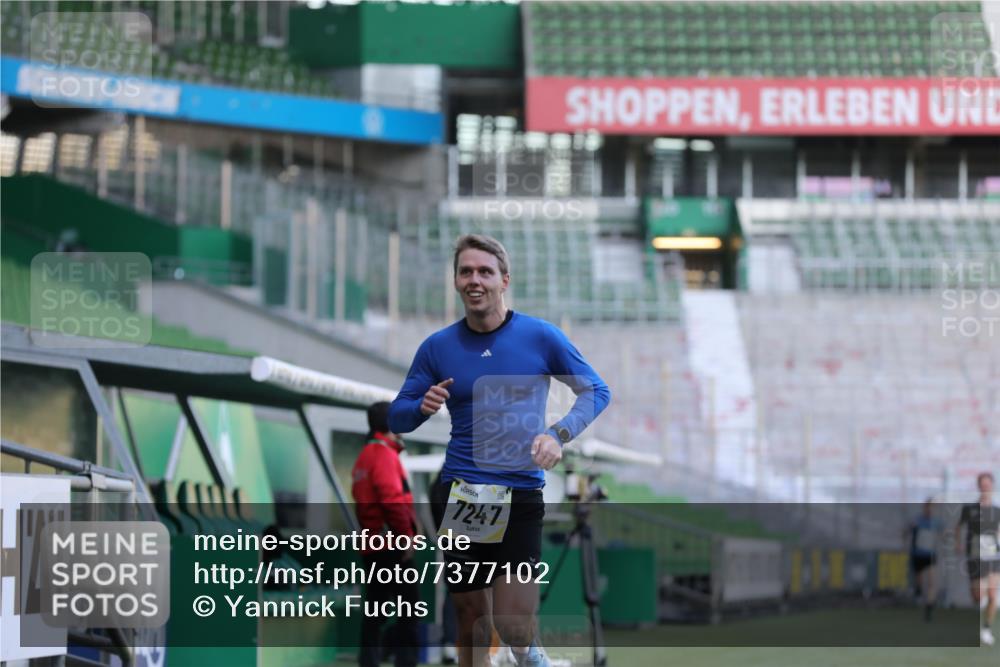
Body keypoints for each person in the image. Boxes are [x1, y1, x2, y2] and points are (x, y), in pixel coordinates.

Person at [389, 234, 610, 667]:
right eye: (466, 271)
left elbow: (596, 391)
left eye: (485, 272)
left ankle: (530, 656)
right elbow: (397, 417)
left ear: (504, 280)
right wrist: (420, 406)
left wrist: (558, 434)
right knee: (471, 616)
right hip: (466, 494)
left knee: (512, 624)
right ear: (456, 281)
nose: (475, 280)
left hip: (520, 491)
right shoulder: (437, 347)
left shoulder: (540, 336)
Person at [351, 401, 420, 667]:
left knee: (375, 610)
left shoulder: (364, 456)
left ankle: (368, 661)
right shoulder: (384, 455)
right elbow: (392, 500)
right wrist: (406, 537)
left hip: (373, 545)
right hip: (392, 545)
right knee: (409, 608)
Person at [955, 471, 1000, 647]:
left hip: (993, 556)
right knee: (978, 595)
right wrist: (958, 543)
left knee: (993, 594)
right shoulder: (970, 509)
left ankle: (986, 629)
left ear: (992, 486)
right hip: (975, 556)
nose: (985, 488)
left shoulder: (996, 510)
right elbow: (958, 527)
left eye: (988, 485)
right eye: (983, 485)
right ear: (979, 487)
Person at [906, 497, 940, 621]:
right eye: (928, 507)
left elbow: (943, 534)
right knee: (919, 581)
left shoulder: (937, 522)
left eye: (932, 508)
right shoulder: (917, 520)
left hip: (930, 555)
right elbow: (907, 531)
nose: (930, 510)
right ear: (924, 508)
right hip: (918, 555)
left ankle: (929, 608)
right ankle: (918, 590)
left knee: (932, 582)